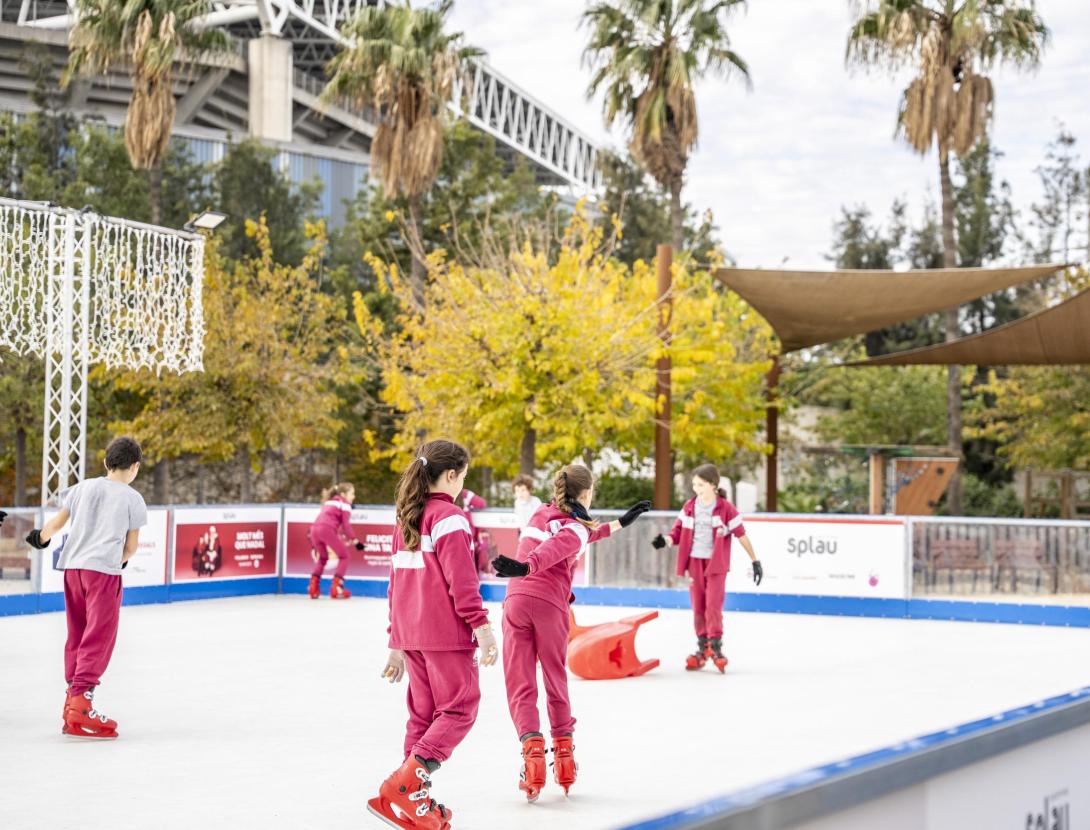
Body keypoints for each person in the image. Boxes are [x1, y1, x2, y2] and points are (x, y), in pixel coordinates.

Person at [492, 465, 650, 801]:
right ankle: (564, 761)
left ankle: (532, 759)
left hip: (517, 602)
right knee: (554, 679)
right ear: (587, 493)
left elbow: (581, 535)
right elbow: (559, 546)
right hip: (549, 606)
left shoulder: (541, 512)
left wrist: (620, 522)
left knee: (520, 682)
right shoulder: (575, 528)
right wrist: (528, 566)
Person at [368, 440, 498, 830]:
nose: (463, 485)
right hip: (444, 634)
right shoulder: (450, 517)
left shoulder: (407, 516)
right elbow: (462, 581)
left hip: (411, 635)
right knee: (460, 707)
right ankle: (407, 787)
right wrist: (484, 628)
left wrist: (396, 642)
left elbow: (396, 584)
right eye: (464, 476)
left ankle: (412, 797)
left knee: (423, 716)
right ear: (452, 474)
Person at [24, 436, 147, 740]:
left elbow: (55, 524)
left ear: (106, 463)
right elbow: (131, 547)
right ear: (135, 467)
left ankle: (71, 704)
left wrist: (40, 538)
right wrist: (118, 561)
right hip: (102, 572)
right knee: (99, 636)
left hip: (73, 570)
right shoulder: (132, 498)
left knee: (77, 633)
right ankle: (82, 705)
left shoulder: (83, 487)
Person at [652, 463, 763, 673]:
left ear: (713, 485)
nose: (697, 489)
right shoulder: (689, 507)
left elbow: (741, 534)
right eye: (694, 485)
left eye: (701, 485)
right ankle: (702, 648)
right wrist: (664, 540)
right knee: (698, 607)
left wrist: (755, 560)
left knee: (713, 607)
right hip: (694, 563)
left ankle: (716, 647)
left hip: (716, 565)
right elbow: (676, 534)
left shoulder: (725, 509)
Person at [308, 482, 365, 600]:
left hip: (314, 530)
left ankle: (313, 588)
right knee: (344, 556)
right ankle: (337, 588)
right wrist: (356, 542)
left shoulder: (329, 502)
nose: (354, 497)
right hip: (326, 530)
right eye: (352, 494)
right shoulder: (344, 505)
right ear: (343, 494)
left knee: (323, 558)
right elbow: (346, 526)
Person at [458, 486, 488, 573]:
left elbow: (482, 504)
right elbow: (482, 503)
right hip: (468, 534)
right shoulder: (465, 494)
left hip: (454, 535)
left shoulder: (442, 496)